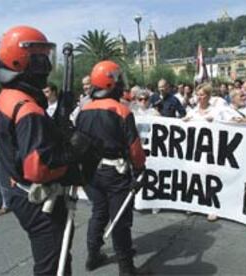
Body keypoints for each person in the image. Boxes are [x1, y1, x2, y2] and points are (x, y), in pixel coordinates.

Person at [0, 25, 96, 275]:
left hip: (17, 189)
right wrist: (74, 151)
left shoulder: (8, 95)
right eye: (41, 56)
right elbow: (39, 168)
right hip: (37, 197)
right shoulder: (27, 109)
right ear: (23, 57)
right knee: (52, 265)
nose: (46, 63)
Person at [76, 60, 146, 276]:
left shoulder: (83, 112)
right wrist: (140, 169)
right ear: (110, 84)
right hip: (115, 172)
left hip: (90, 172)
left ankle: (93, 255)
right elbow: (134, 149)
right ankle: (126, 268)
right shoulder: (122, 111)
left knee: (99, 212)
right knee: (120, 219)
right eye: (117, 81)